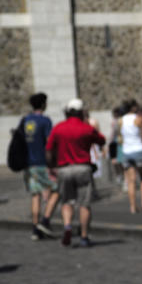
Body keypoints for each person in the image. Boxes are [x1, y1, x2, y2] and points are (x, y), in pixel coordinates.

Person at [46, 98, 106, 247]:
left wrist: (52, 166)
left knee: (67, 201)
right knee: (85, 204)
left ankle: (67, 226)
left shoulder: (58, 128)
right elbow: (101, 140)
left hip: (64, 169)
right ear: (81, 113)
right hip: (83, 167)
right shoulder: (86, 128)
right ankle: (84, 236)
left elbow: (48, 149)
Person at [22, 92, 60, 240]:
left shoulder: (25, 120)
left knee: (35, 195)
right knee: (57, 190)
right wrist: (53, 163)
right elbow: (49, 143)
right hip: (42, 162)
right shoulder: (45, 121)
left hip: (28, 163)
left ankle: (35, 229)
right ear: (43, 104)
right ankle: (45, 220)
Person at [116, 100, 142, 213]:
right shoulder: (138, 118)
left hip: (127, 150)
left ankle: (132, 206)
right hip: (138, 149)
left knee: (131, 180)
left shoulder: (121, 120)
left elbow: (120, 134)